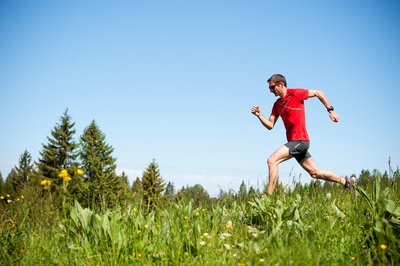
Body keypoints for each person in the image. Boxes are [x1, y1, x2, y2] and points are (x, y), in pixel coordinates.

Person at [251, 73, 354, 195]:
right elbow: (270, 125)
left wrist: (330, 111)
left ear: (281, 84)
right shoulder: (277, 105)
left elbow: (318, 93)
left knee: (272, 160)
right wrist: (259, 116)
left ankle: (267, 197)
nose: (270, 90)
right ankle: (346, 183)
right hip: (294, 143)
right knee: (315, 173)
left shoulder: (295, 93)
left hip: (300, 140)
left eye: (272, 87)